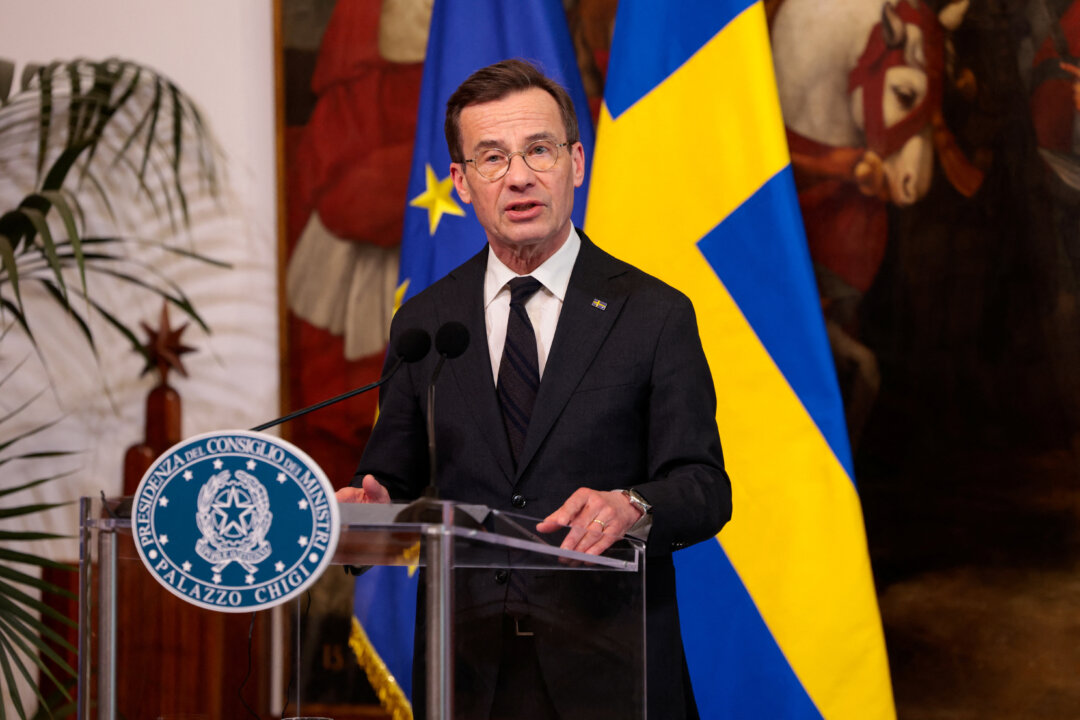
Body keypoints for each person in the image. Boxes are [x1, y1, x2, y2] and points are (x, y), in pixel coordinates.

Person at [337, 58, 731, 720]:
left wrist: (632, 504)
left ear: (575, 163)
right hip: (467, 676)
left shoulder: (653, 313)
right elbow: (392, 480)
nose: (519, 176)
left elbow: (703, 486)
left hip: (613, 672)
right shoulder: (427, 322)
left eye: (539, 150)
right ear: (461, 183)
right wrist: (373, 506)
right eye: (492, 158)